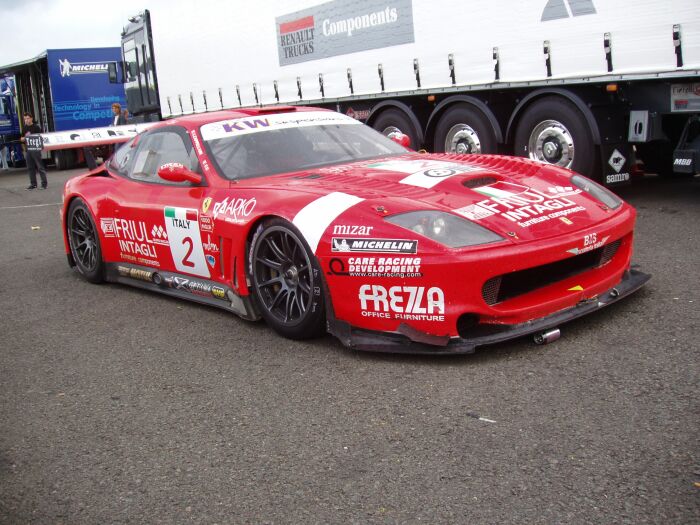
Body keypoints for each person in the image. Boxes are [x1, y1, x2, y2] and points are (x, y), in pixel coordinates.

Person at [20, 113, 47, 190]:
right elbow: (22, 137)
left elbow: (41, 136)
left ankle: (44, 184)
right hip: (28, 149)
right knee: (30, 167)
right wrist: (22, 139)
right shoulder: (24, 128)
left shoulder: (36, 127)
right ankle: (33, 184)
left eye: (28, 118)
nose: (26, 120)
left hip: (35, 149)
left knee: (40, 166)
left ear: (31, 118)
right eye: (25, 119)